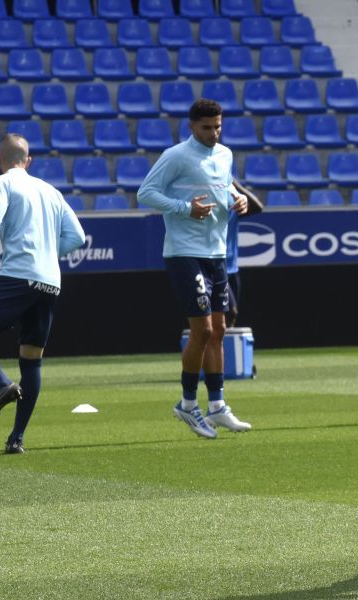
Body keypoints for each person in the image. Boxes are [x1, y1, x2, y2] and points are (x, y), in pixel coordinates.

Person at [0, 134, 86, 454]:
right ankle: (17, 438)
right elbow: (78, 236)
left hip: (18, 275)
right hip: (50, 282)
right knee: (31, 361)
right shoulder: (51, 191)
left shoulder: (2, 184)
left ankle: (1, 385)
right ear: (29, 160)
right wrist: (50, 255)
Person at [138, 98, 252, 439]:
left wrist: (237, 197)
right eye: (207, 128)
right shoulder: (176, 156)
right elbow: (146, 192)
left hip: (217, 254)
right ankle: (187, 405)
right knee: (201, 330)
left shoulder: (225, 154)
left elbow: (224, 183)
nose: (214, 133)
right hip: (185, 252)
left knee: (218, 329)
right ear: (191, 127)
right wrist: (184, 208)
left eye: (218, 127)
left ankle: (217, 406)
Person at [225, 178, 264, 328]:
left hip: (233, 269)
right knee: (230, 312)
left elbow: (258, 207)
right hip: (216, 268)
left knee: (228, 317)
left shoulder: (234, 210)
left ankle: (226, 349)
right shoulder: (210, 211)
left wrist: (232, 181)